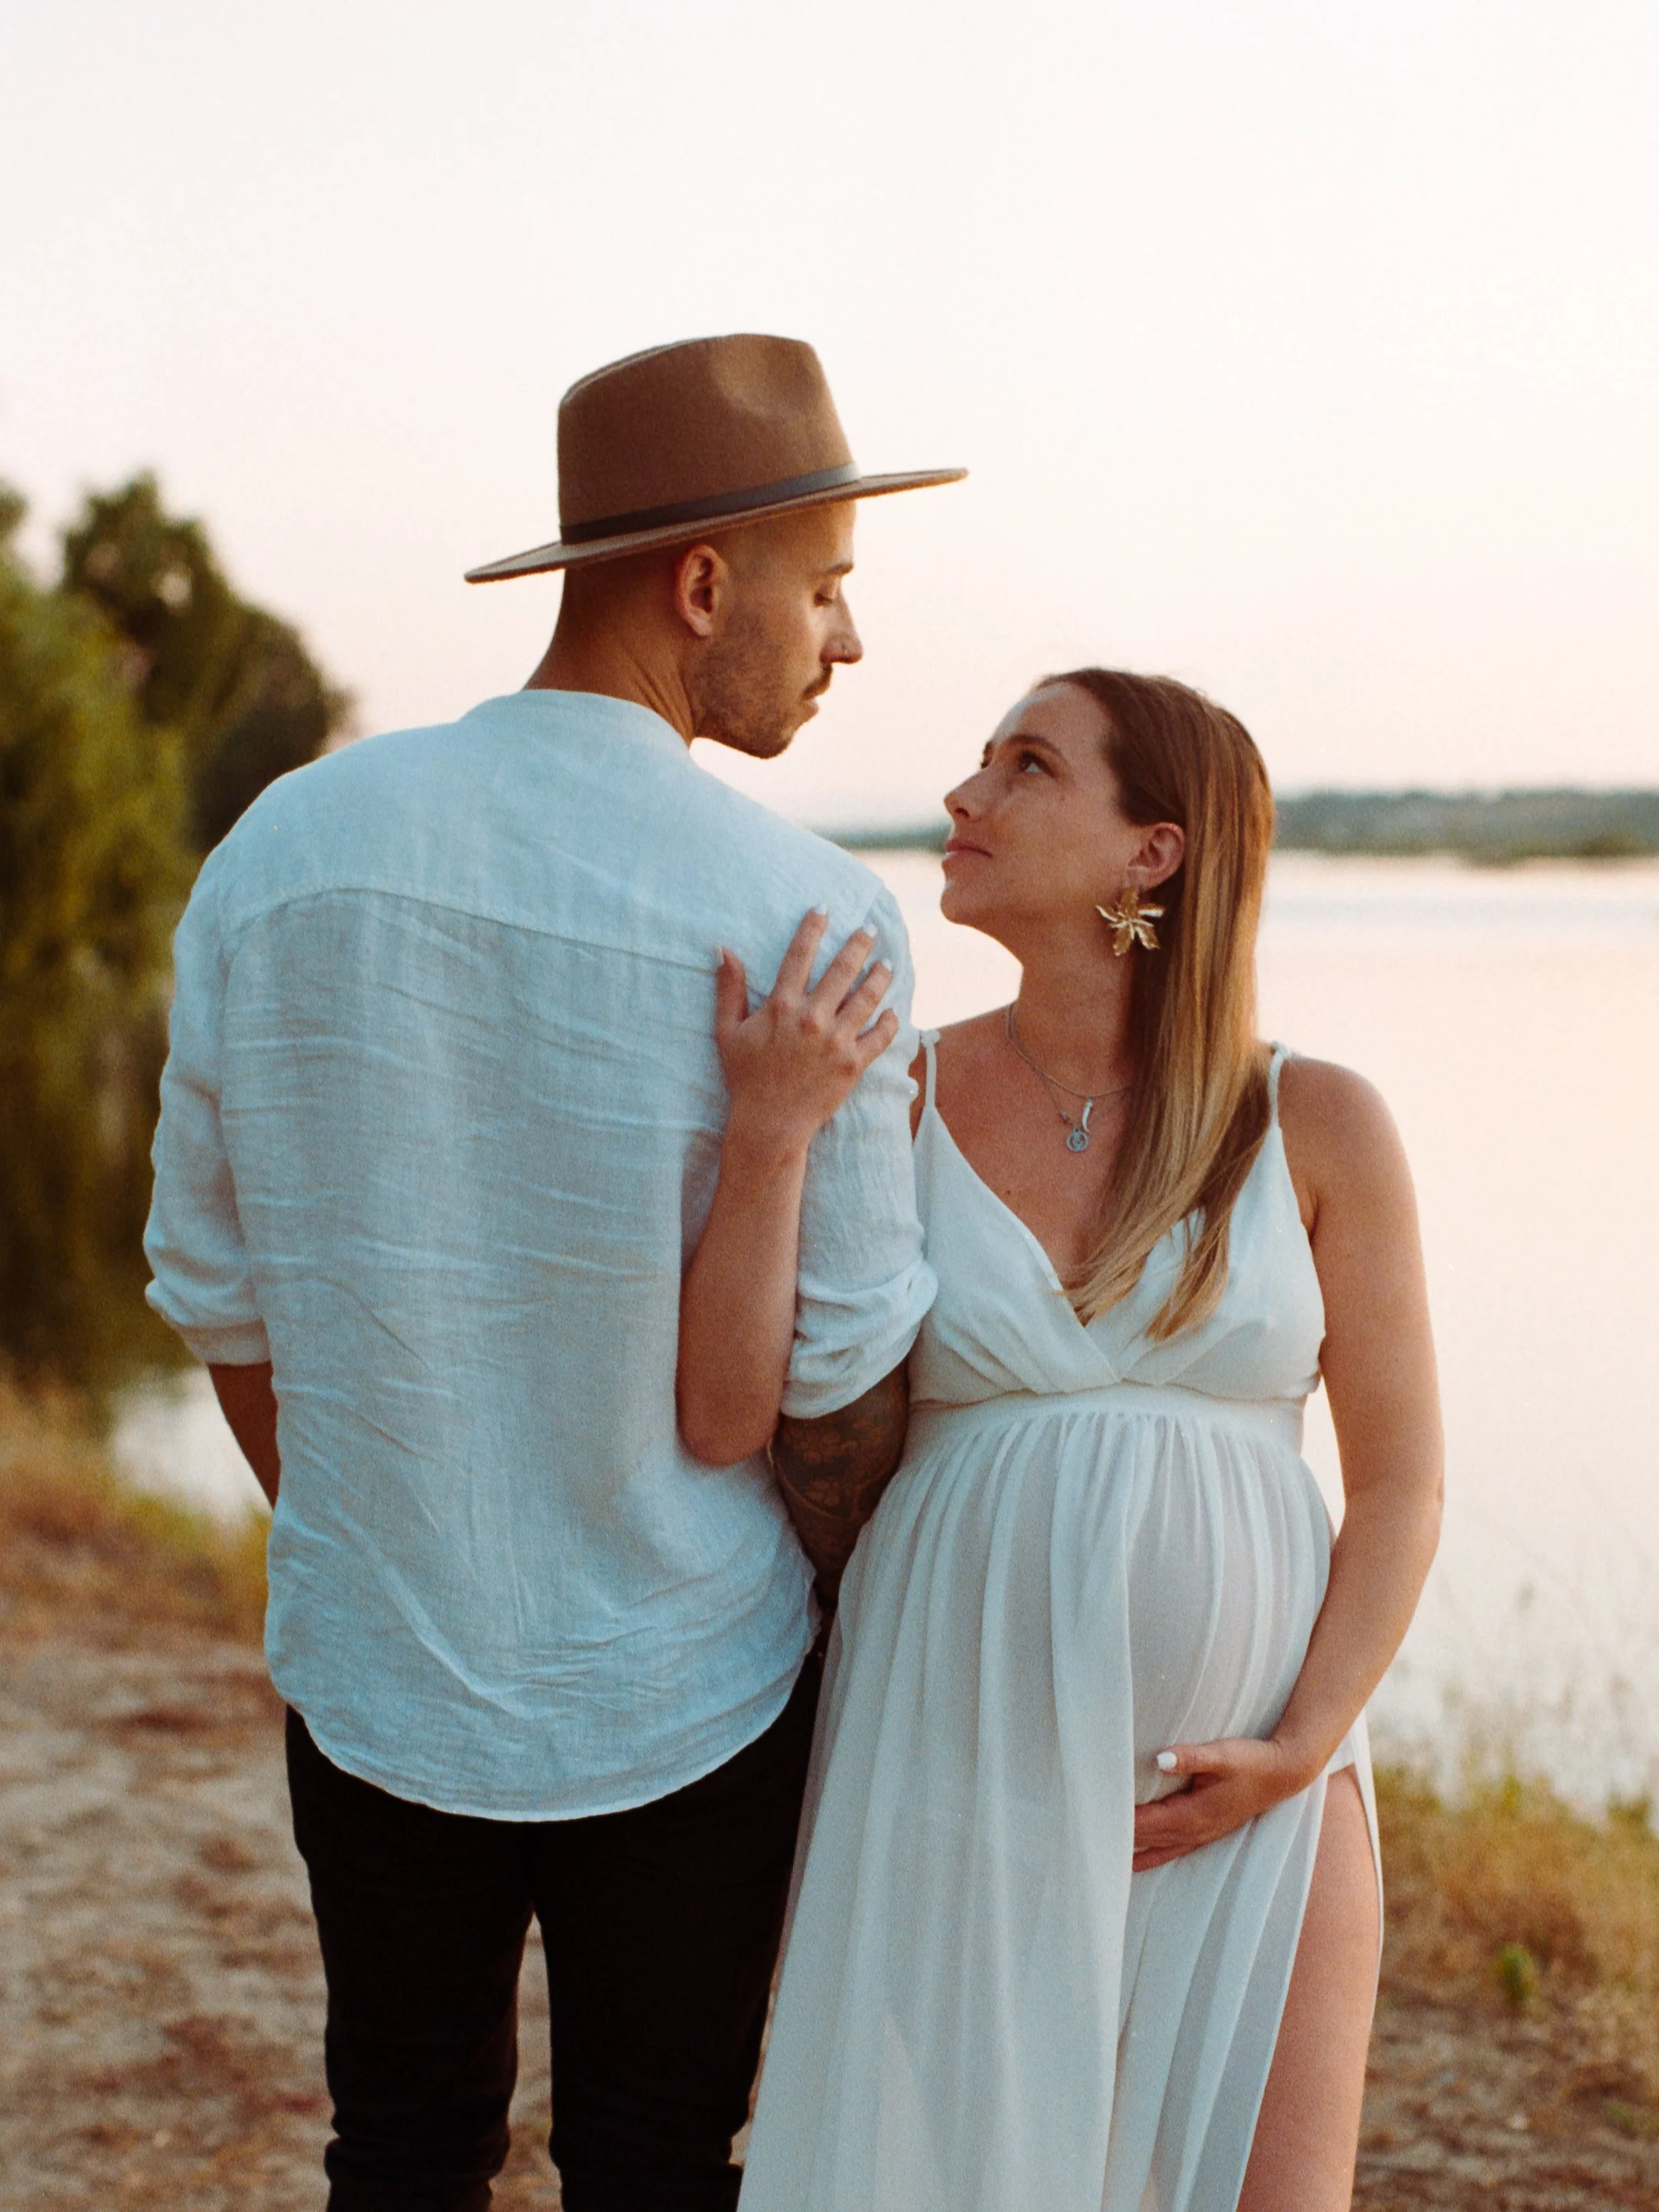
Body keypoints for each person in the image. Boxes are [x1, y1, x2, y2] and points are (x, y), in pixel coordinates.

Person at [142, 333, 963, 2212]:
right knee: (661, 2166)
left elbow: (211, 1284)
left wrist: (381, 1531)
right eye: (827, 588)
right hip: (694, 1684)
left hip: (377, 1666)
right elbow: (834, 1380)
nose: (848, 641)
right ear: (704, 587)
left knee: (400, 2152)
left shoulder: (280, 851)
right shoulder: (814, 916)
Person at [677, 669, 1444, 2212]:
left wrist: (1302, 1747)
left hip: (1253, 1782)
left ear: (1153, 852)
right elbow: (723, 1411)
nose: (963, 795)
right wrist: (770, 1132)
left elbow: (1405, 1482)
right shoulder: (890, 1095)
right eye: (981, 761)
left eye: (1026, 765)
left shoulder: (1317, 1120)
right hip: (955, 1762)